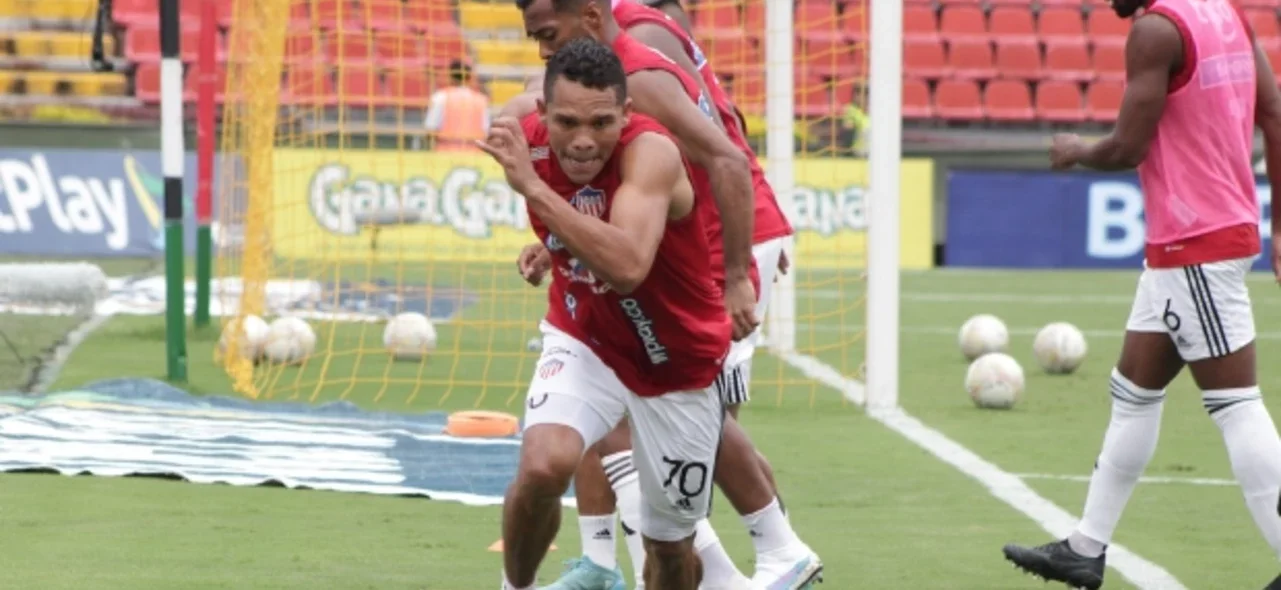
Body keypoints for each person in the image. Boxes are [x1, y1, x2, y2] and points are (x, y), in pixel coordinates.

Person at [509, 1, 823, 589]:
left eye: (548, 36)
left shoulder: (640, 67)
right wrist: (558, 245)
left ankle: (775, 554)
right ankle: (609, 562)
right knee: (621, 389)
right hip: (667, 235)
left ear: (589, 18)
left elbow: (728, 154)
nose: (544, 51)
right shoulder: (604, 63)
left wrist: (734, 274)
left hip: (715, 241)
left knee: (678, 396)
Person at [1001, 1, 1281, 589]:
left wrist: (1075, 150)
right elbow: (1275, 112)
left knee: (1236, 405)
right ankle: (1085, 548)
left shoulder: (1157, 30)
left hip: (1195, 242)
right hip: (1189, 242)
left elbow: (1128, 147)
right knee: (1133, 393)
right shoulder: (1226, 12)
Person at [487, 37, 741, 590]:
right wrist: (553, 246)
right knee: (542, 467)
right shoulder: (523, 133)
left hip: (673, 361)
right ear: (543, 113)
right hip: (588, 337)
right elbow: (509, 123)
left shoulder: (652, 153)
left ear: (626, 113)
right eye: (566, 122)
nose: (582, 141)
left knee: (670, 549)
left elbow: (627, 264)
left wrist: (533, 191)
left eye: (601, 123)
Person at [423, 59, 489, 152]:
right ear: (469, 77)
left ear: (450, 75)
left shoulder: (440, 97)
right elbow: (485, 133)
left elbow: (430, 130)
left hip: (445, 156)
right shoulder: (481, 100)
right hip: (474, 157)